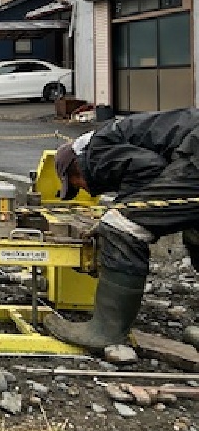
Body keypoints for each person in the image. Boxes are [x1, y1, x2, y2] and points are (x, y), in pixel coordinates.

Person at [46, 107, 199, 350]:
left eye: (77, 186)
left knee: (122, 225)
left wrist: (120, 209)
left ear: (75, 168)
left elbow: (151, 167)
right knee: (195, 232)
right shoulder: (116, 135)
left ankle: (104, 332)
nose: (85, 191)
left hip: (196, 155)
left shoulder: (96, 152)